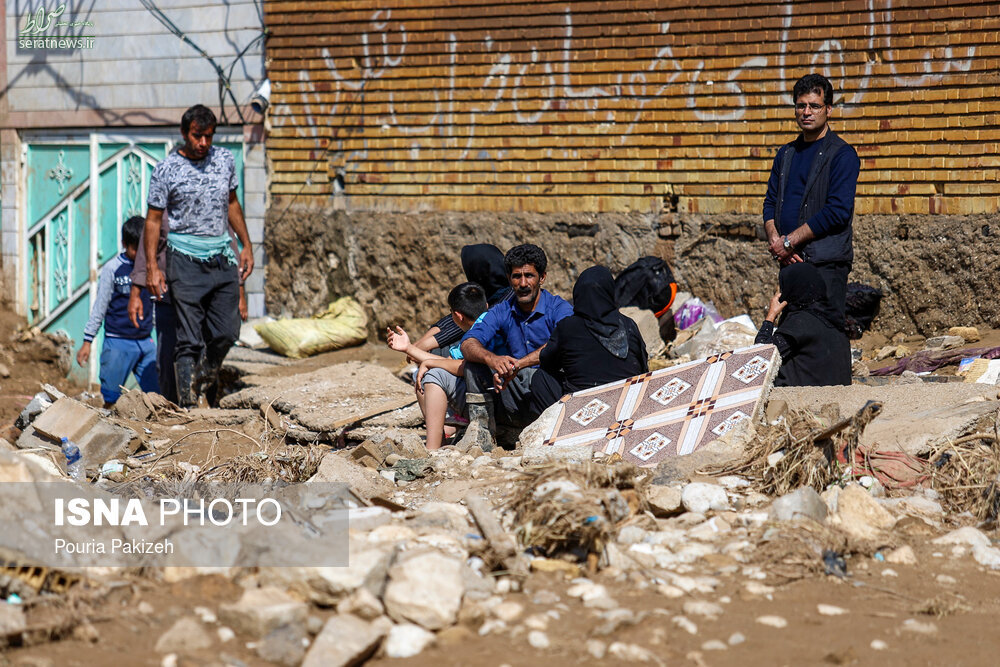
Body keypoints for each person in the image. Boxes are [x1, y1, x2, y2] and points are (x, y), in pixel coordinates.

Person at [142, 104, 254, 407]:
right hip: (184, 260)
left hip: (221, 256)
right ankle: (189, 406)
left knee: (228, 331)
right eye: (196, 136)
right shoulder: (165, 169)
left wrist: (246, 244)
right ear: (184, 134)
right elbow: (153, 220)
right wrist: (152, 267)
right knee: (189, 338)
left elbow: (232, 203)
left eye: (208, 136)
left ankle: (203, 376)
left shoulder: (225, 160)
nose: (202, 143)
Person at [762, 73, 860, 330]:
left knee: (823, 335)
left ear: (828, 109)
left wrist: (788, 241)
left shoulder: (842, 155)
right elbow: (770, 203)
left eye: (814, 106)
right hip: (790, 263)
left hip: (824, 266)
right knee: (791, 335)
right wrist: (776, 242)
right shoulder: (786, 154)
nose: (807, 112)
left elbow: (837, 212)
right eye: (801, 105)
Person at [459, 243, 573, 449]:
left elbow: (562, 344)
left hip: (549, 390)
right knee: (473, 366)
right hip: (513, 388)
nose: (522, 283)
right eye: (516, 276)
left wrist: (518, 364)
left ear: (542, 278)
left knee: (537, 375)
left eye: (529, 276)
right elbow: (468, 343)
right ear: (509, 279)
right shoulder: (502, 310)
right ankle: (482, 433)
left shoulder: (559, 308)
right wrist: (492, 359)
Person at [128, 216, 247, 404]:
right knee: (170, 356)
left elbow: (228, 244)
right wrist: (137, 289)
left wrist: (239, 287)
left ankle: (203, 397)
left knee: (210, 343)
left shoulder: (213, 202)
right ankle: (179, 407)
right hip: (169, 294)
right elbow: (148, 242)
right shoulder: (167, 206)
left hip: (207, 294)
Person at [386, 282, 506, 450]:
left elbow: (460, 366)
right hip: (503, 395)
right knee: (425, 372)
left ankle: (433, 447)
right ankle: (441, 435)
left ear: (457, 315)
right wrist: (409, 348)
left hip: (491, 399)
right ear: (486, 305)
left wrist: (422, 358)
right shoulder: (494, 321)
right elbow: (450, 361)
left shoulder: (474, 336)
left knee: (431, 376)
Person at [529, 266, 649, 416]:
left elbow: (547, 362)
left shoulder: (567, 327)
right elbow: (644, 367)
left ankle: (555, 430)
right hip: (628, 405)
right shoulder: (629, 324)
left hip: (584, 412)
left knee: (541, 379)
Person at [75, 216, 158, 407]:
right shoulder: (113, 269)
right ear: (124, 244)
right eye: (134, 249)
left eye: (142, 248)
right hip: (117, 342)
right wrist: (87, 341)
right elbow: (100, 306)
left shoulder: (151, 267)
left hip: (146, 343)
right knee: (111, 398)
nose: (138, 254)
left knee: (156, 397)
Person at [754, 263, 851, 387]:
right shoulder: (834, 321)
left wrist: (770, 317)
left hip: (804, 399)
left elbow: (759, 359)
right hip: (835, 396)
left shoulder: (800, 322)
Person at [412, 244, 512, 353]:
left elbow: (473, 320)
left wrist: (424, 345)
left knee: (440, 349)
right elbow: (460, 314)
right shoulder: (488, 291)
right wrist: (420, 342)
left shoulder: (513, 295)